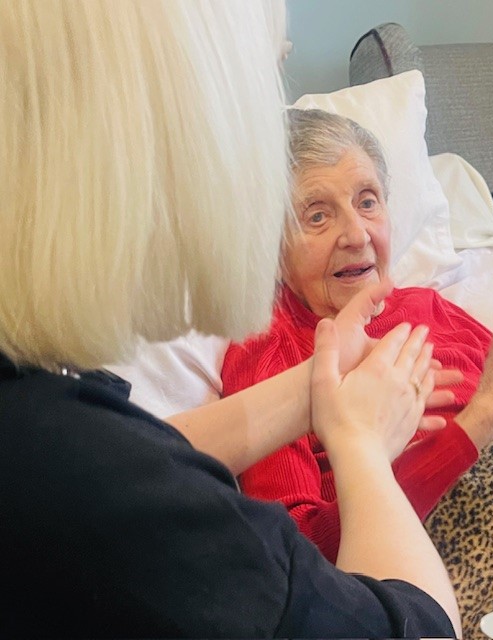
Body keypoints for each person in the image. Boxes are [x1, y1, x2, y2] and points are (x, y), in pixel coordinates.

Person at [0, 3, 463, 637]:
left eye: (367, 202)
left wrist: (319, 387)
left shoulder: (45, 419)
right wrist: (361, 448)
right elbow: (416, 627)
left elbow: (125, 454)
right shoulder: (105, 498)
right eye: (265, 79)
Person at [221, 108, 493, 639]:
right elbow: (297, 552)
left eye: (368, 201)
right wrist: (475, 426)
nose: (357, 234)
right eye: (317, 215)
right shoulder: (271, 348)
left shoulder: (428, 306)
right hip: (463, 579)